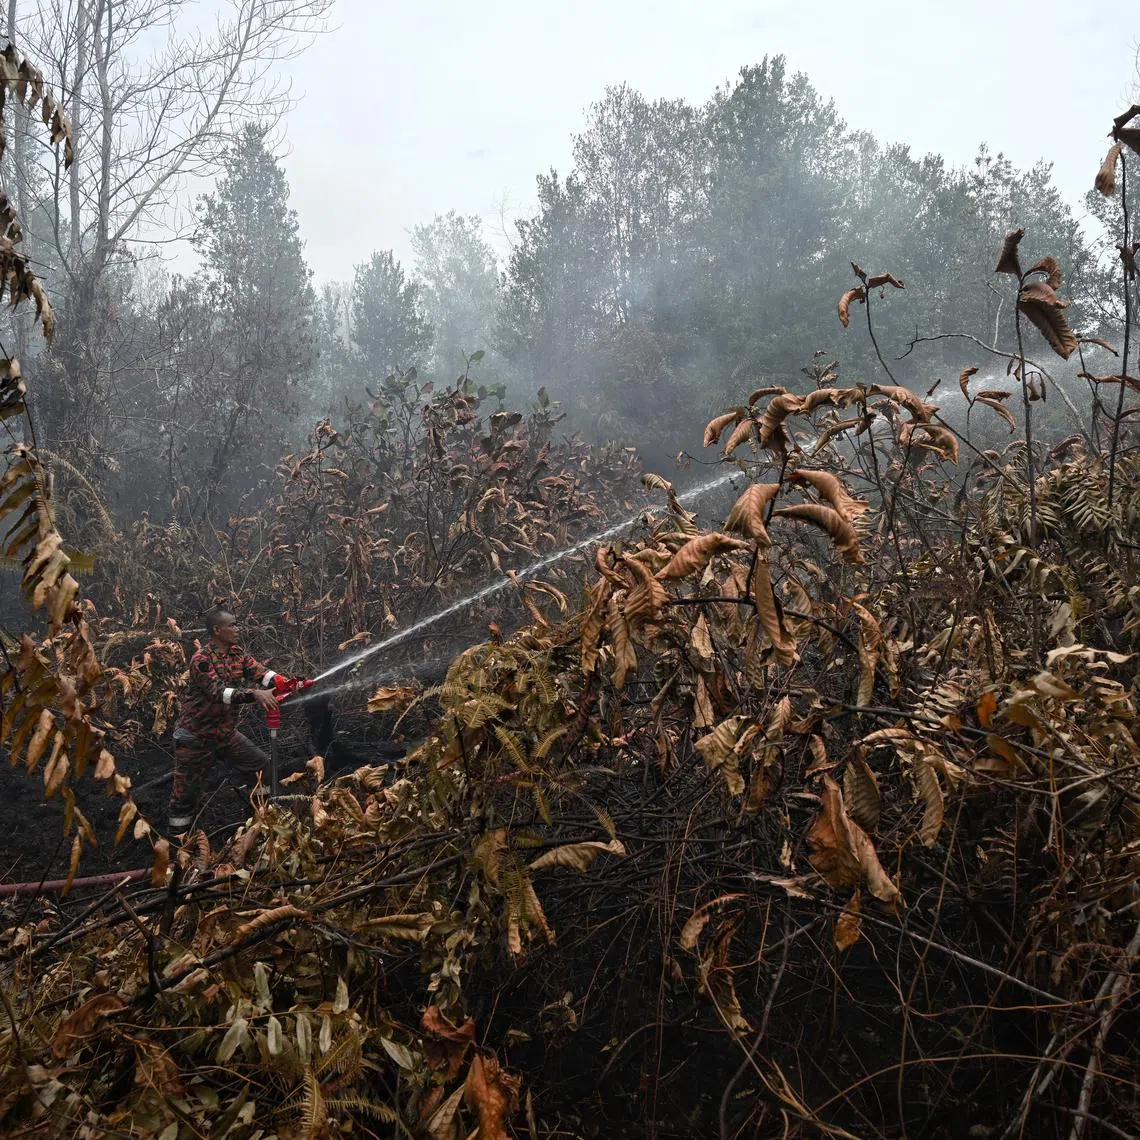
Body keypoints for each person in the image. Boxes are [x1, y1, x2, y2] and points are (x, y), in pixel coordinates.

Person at [168, 607, 294, 831]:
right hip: (194, 738)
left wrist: (286, 682)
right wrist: (254, 695)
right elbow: (219, 693)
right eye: (233, 625)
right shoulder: (202, 661)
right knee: (185, 795)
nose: (238, 629)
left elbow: (261, 674)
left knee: (261, 766)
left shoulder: (237, 654)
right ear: (217, 630)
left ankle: (260, 820)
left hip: (224, 734)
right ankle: (178, 842)